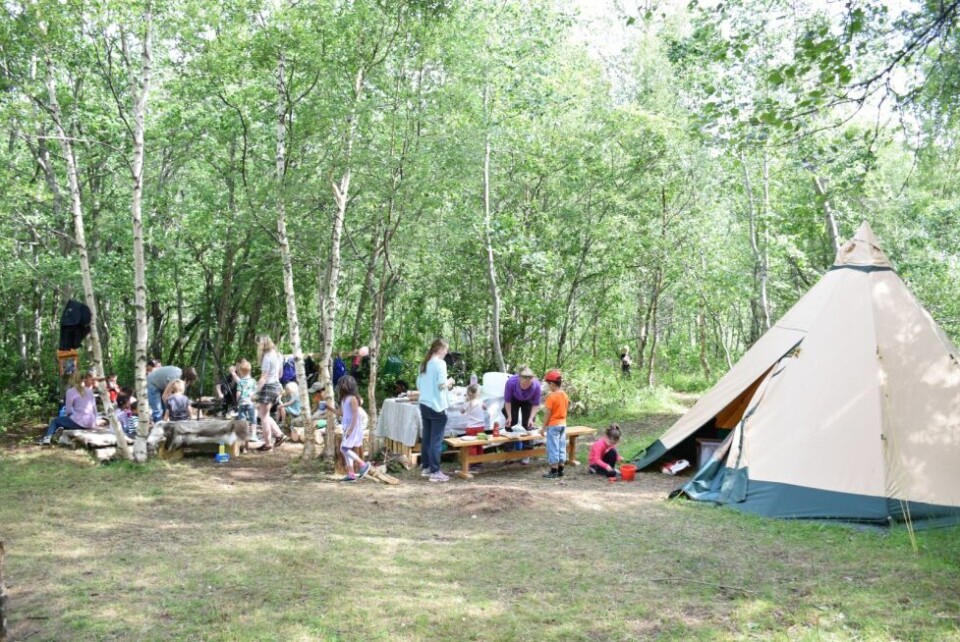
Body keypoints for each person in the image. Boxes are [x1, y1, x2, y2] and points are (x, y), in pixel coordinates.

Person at [416, 338, 454, 482]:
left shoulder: (424, 364)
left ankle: (426, 467)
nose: (446, 352)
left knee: (427, 438)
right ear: (439, 349)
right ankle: (435, 471)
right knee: (436, 441)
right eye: (445, 350)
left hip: (424, 404)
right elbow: (441, 385)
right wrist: (449, 382)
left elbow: (419, 384)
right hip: (437, 406)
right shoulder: (440, 364)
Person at [41, 369, 99, 444]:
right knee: (65, 422)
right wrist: (95, 421)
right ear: (83, 379)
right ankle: (57, 436)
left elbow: (68, 411)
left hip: (79, 422)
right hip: (91, 422)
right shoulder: (89, 391)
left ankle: (47, 438)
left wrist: (70, 415)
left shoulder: (70, 391)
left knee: (55, 421)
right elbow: (94, 409)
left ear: (72, 380)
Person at [503, 365, 542, 465]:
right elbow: (507, 401)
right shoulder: (511, 382)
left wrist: (531, 418)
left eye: (528, 384)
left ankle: (526, 453)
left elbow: (536, 404)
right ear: (519, 378)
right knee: (511, 424)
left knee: (528, 425)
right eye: (523, 384)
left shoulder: (536, 385)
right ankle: (509, 453)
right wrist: (509, 416)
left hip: (528, 400)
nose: (525, 386)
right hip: (513, 400)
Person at [335, 375, 371, 482]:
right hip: (348, 427)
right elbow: (341, 413)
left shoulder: (353, 399)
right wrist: (329, 408)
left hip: (354, 427)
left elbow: (356, 414)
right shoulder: (344, 399)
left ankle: (363, 465)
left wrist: (351, 429)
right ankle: (351, 474)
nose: (339, 387)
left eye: (341, 385)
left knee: (344, 448)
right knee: (346, 449)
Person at [255, 335, 285, 451]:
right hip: (276, 386)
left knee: (263, 416)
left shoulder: (267, 357)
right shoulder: (279, 356)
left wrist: (255, 392)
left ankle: (268, 444)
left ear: (263, 344)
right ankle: (279, 435)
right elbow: (280, 375)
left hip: (268, 387)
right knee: (264, 414)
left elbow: (264, 377)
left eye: (258, 344)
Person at [540, 369, 569, 479]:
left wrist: (543, 428)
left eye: (548, 384)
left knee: (553, 447)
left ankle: (553, 471)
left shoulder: (551, 396)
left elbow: (548, 414)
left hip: (553, 426)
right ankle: (561, 469)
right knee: (561, 446)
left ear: (552, 383)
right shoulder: (565, 395)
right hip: (563, 424)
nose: (548, 386)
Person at [461, 383, 488, 469]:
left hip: (471, 427)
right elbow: (485, 407)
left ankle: (473, 462)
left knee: (472, 445)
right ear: (477, 393)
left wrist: (465, 401)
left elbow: (461, 411)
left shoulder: (467, 403)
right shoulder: (480, 401)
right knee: (479, 444)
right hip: (481, 426)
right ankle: (479, 461)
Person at [230, 359, 257, 431]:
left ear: (241, 372)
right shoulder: (253, 381)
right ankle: (254, 435)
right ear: (250, 370)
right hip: (251, 403)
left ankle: (244, 434)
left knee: (242, 419)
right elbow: (256, 392)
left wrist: (237, 401)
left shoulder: (241, 382)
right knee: (253, 418)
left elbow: (238, 393)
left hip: (242, 403)